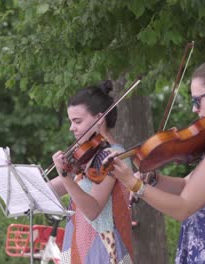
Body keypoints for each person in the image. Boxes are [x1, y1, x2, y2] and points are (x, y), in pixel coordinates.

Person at [105, 58, 205, 263]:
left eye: (197, 100)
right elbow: (186, 185)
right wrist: (155, 179)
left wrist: (133, 183)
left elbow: (183, 207)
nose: (194, 109)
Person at [49, 80, 133, 264]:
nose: (72, 128)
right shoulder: (89, 157)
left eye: (77, 121)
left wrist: (65, 176)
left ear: (99, 118)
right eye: (71, 121)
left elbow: (93, 210)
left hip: (102, 245)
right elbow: (51, 189)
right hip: (78, 240)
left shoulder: (112, 155)